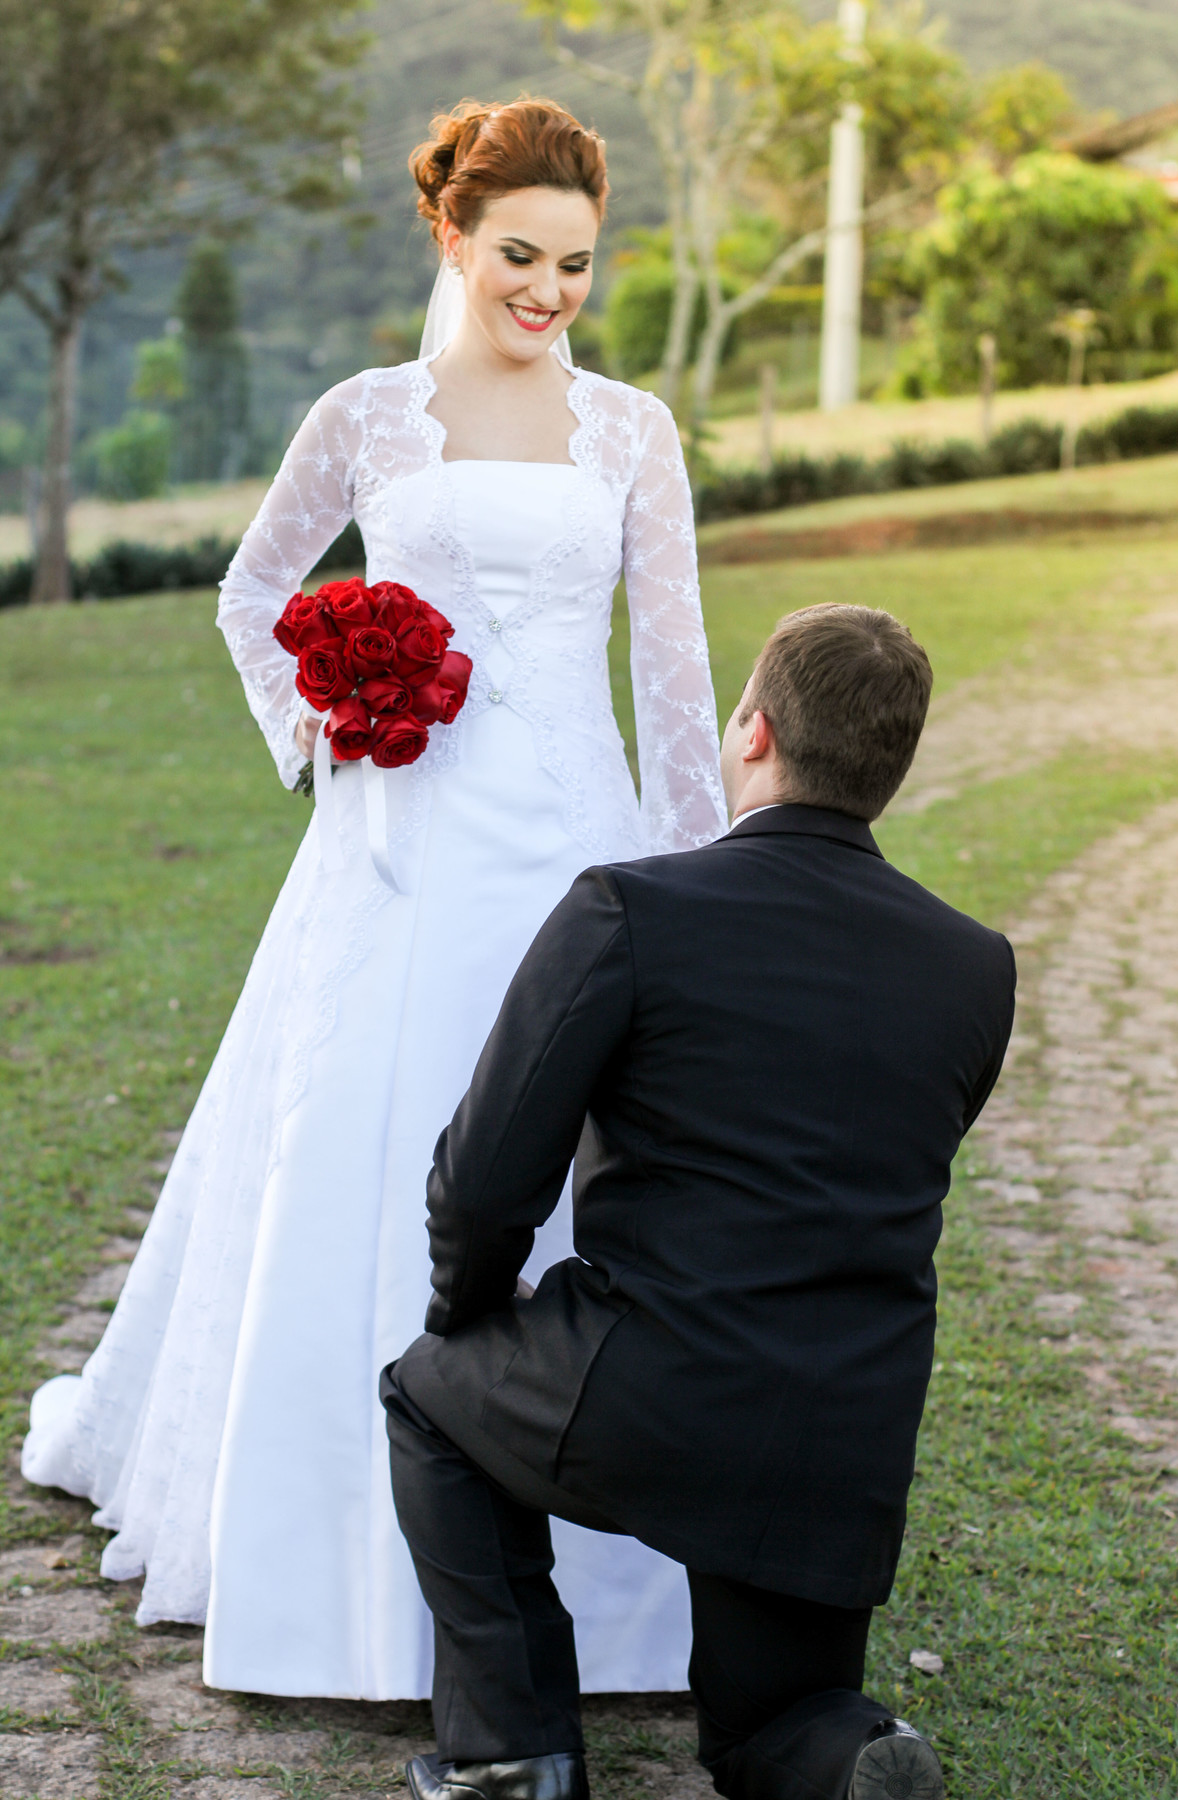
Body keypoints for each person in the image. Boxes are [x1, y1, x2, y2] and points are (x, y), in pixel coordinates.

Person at [21, 97, 726, 1700]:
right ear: (452, 235)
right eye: (520, 254)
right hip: (399, 842)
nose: (548, 290)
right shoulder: (366, 416)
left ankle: (595, 1578)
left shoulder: (633, 432)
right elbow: (254, 590)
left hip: (577, 846)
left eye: (577, 264)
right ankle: (331, 1566)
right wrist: (326, 722)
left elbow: (677, 678)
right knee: (365, 1147)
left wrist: (693, 890)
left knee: (573, 1163)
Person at [380, 604, 1017, 1800]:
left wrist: (469, 1315)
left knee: (427, 1394)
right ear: (890, 768)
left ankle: (515, 1755)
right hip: (844, 1432)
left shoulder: (630, 909)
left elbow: (484, 1180)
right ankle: (854, 1756)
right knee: (775, 1727)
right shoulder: (975, 965)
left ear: (754, 731)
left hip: (647, 1390)